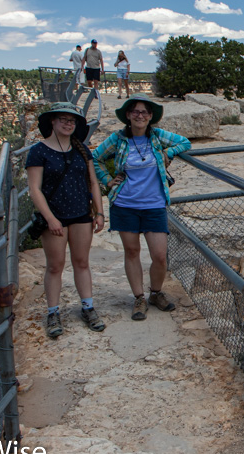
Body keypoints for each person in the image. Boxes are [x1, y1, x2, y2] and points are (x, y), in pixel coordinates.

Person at [92, 95, 191, 321]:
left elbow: (185, 142)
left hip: (154, 204)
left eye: (145, 112)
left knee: (159, 256)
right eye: (135, 112)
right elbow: (95, 157)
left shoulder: (156, 137)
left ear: (150, 117)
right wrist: (107, 180)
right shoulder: (118, 139)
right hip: (125, 204)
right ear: (127, 115)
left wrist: (168, 152)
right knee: (132, 251)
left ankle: (155, 293)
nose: (140, 115)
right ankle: (139, 298)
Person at [26, 102, 107, 338]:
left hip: (81, 213)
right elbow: (34, 189)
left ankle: (88, 307)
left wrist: (99, 212)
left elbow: (93, 182)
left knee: (82, 262)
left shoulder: (81, 150)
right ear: (52, 121)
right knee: (55, 265)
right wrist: (50, 219)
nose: (68, 123)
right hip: (55, 216)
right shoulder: (38, 152)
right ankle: (53, 313)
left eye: (72, 120)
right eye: (63, 119)